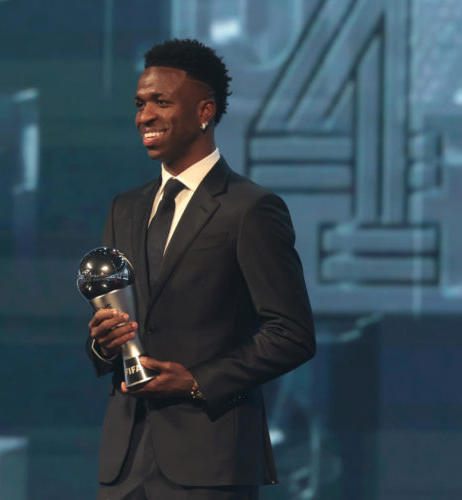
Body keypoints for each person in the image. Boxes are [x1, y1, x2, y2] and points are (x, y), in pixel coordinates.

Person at [86, 38, 315, 500]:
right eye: (140, 103)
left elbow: (291, 334)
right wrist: (102, 343)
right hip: (124, 465)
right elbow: (115, 335)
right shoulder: (124, 208)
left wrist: (196, 382)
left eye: (161, 102)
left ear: (205, 111)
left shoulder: (251, 209)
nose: (144, 116)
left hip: (210, 465)